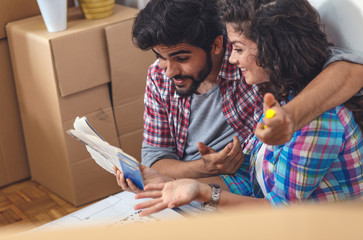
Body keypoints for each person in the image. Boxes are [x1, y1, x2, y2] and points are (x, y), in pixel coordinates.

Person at [132, 0, 363, 216]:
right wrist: (170, 183)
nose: (168, 71)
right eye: (160, 57)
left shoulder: (309, 113)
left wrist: (203, 193)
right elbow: (257, 180)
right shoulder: (275, 92)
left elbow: (278, 213)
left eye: (238, 49)